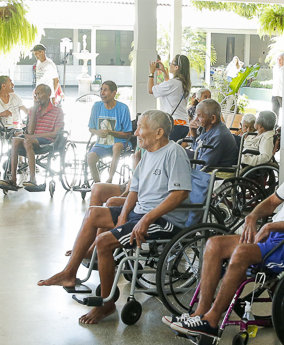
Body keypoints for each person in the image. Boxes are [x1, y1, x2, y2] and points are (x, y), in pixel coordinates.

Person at [165, 121, 284, 345]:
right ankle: (199, 314)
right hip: (281, 237)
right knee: (214, 245)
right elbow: (273, 201)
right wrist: (253, 216)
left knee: (241, 253)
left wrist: (272, 226)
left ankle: (211, 321)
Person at [38, 110, 191, 324]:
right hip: (140, 213)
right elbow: (134, 191)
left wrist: (145, 220)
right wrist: (123, 217)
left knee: (103, 241)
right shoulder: (147, 154)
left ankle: (106, 305)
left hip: (163, 221)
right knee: (93, 213)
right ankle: (69, 272)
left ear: (158, 132)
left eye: (141, 128)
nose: (136, 132)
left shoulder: (174, 153)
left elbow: (180, 194)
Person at [0, 84, 64, 192]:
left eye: (40, 93)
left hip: (47, 141)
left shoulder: (57, 111)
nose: (38, 96)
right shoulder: (33, 111)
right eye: (36, 94)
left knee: (27, 141)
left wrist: (34, 136)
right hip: (32, 139)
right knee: (15, 140)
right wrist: (34, 111)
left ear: (48, 94)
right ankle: (13, 179)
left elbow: (55, 134)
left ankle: (33, 179)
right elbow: (30, 131)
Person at [86, 80, 133, 184]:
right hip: (101, 144)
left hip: (119, 143)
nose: (102, 93)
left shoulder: (123, 108)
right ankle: (97, 184)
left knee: (116, 146)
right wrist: (98, 132)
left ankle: (109, 180)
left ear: (114, 93)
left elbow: (127, 134)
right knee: (90, 157)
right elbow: (91, 128)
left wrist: (110, 132)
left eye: (105, 90)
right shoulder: (96, 106)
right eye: (101, 90)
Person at [148, 54, 192, 141]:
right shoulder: (185, 83)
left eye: (171, 63)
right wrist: (164, 72)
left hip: (173, 124)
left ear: (177, 67)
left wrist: (151, 73)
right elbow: (170, 87)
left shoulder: (173, 83)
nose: (170, 65)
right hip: (184, 125)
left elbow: (150, 90)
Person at [188, 98, 239, 169]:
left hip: (216, 172)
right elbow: (197, 150)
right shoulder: (205, 127)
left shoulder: (219, 135)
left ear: (213, 118)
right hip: (203, 165)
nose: (196, 119)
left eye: (199, 116)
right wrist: (193, 135)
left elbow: (204, 165)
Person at [271, 51, 284, 118]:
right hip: (275, 93)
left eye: (280, 59)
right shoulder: (275, 67)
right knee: (274, 113)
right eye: (278, 59)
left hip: (282, 94)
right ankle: (274, 126)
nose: (279, 61)